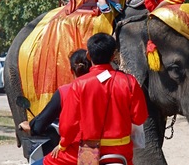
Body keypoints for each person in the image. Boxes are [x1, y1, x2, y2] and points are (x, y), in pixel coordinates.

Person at [58, 33, 148, 165]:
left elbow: (68, 125)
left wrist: (63, 145)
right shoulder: (129, 82)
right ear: (113, 55)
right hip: (122, 152)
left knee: (47, 161)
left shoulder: (79, 84)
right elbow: (140, 118)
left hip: (89, 151)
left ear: (88, 55)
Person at [18, 49, 91, 165]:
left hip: (79, 151)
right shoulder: (107, 87)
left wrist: (62, 145)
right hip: (108, 149)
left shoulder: (66, 91)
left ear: (71, 70)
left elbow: (67, 126)